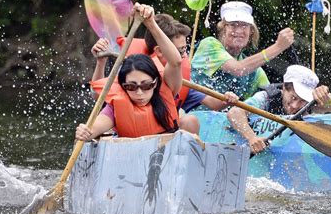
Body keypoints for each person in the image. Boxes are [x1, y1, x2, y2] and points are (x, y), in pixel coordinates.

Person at [90, 13, 239, 134]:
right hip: (130, 138)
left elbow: (214, 103)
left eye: (148, 85)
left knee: (188, 120)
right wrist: (100, 62)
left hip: (165, 136)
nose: (184, 56)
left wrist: (227, 98)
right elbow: (100, 97)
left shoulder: (175, 81)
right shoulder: (133, 75)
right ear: (160, 50)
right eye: (179, 51)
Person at [75, 3, 182, 141]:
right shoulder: (115, 107)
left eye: (146, 85)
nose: (139, 93)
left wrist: (151, 24)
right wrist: (84, 133)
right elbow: (92, 126)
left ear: (156, 82)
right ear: (123, 85)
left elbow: (176, 62)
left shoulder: (167, 86)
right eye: (131, 86)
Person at [191, 1, 295, 105]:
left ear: (251, 32)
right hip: (193, 116)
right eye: (233, 25)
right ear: (223, 29)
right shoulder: (209, 45)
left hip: (226, 120)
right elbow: (238, 69)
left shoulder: (255, 72)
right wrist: (278, 47)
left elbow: (270, 98)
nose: (239, 30)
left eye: (244, 25)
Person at [227, 65, 331, 154]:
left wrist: (326, 94)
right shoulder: (265, 98)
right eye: (293, 97)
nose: (295, 105)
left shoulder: (309, 103)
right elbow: (235, 112)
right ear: (284, 87)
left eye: (302, 100)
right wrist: (251, 138)